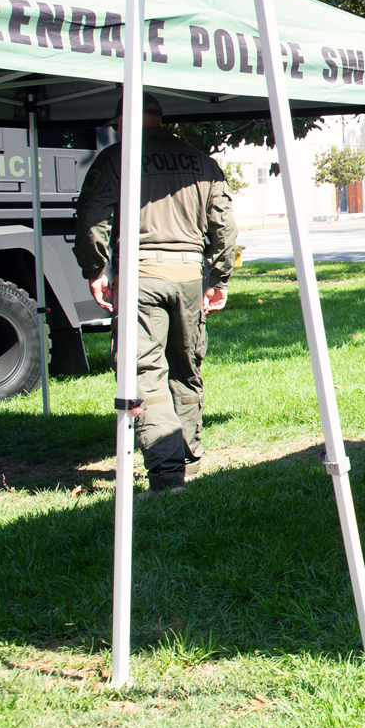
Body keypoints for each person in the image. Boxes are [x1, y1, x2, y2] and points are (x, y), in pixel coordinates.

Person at [75, 92, 237, 492]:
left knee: (144, 372)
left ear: (120, 123)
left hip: (141, 278)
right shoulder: (202, 162)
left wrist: (95, 269)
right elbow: (225, 229)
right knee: (186, 369)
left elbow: (92, 219)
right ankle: (188, 456)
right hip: (188, 280)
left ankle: (167, 473)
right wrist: (218, 280)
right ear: (163, 121)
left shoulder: (115, 159)